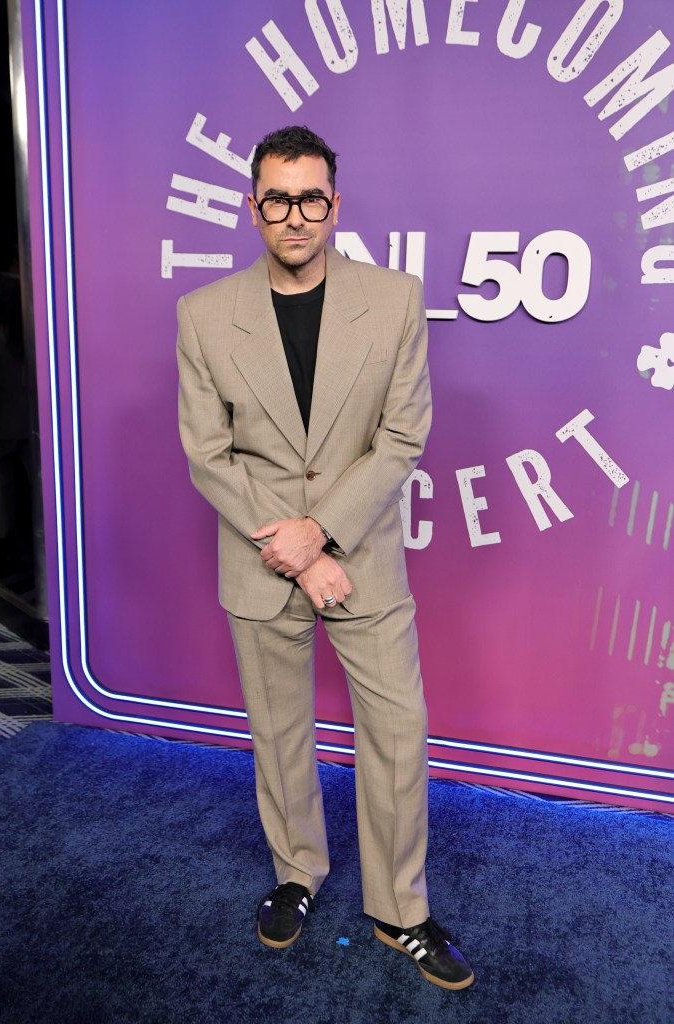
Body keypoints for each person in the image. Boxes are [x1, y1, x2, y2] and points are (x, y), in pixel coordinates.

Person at [176, 125, 474, 990]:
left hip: (364, 558)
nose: (295, 216)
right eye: (277, 200)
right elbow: (207, 453)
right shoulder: (203, 314)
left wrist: (326, 533)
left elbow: (402, 434)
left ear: (334, 205)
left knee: (396, 735)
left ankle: (399, 909)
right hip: (264, 564)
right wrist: (299, 551)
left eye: (311, 199)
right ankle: (296, 874)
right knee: (279, 735)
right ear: (253, 207)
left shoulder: (393, 300)